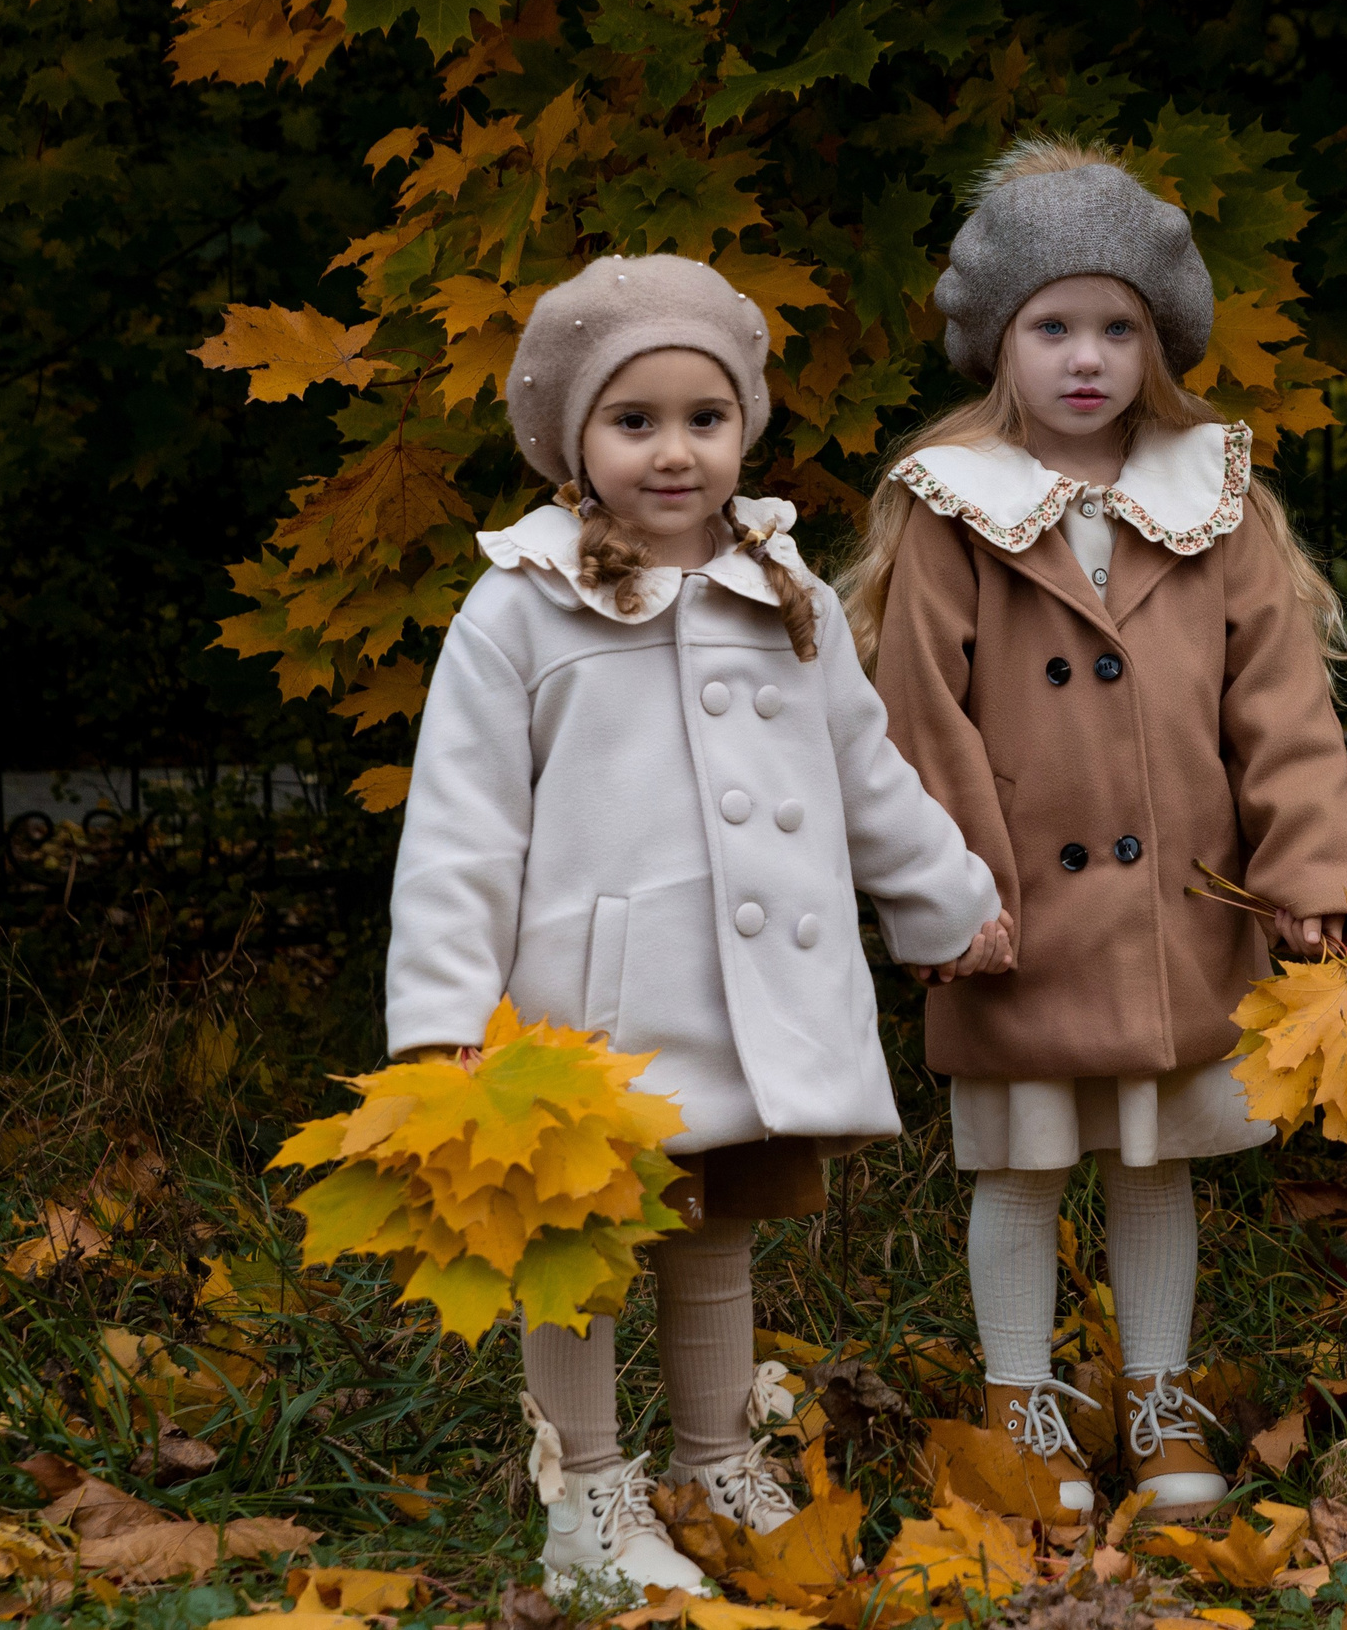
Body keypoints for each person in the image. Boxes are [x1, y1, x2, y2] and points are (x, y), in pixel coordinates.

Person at [385, 253, 1012, 1593]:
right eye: (635, 420)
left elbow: (862, 768)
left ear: (745, 426)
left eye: (704, 418)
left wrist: (947, 901)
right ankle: (586, 1495)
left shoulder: (781, 591)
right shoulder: (523, 603)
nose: (674, 451)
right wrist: (442, 1016)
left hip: (746, 1001)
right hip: (587, 1013)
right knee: (580, 1244)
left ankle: (716, 1460)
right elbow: (461, 827)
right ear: (575, 441)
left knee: (713, 1229)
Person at [840, 139, 1347, 1518]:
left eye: (1118, 328)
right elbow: (919, 715)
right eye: (1053, 327)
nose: (1086, 357)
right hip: (1017, 912)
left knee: (1155, 1163)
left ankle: (1159, 1399)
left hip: (1175, 911)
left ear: (1160, 341)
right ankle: (1020, 1405)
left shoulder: (1212, 494)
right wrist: (950, 893)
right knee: (1019, 1167)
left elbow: (1280, 703)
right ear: (997, 342)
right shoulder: (952, 502)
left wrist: (1307, 869)